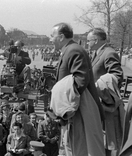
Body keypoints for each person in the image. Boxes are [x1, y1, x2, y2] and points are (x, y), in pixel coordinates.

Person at [50, 22, 105, 156]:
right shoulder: (70, 50)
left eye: (52, 36)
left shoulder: (73, 50)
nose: (50, 39)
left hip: (77, 111)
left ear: (61, 37)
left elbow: (80, 80)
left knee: (77, 148)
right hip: (73, 109)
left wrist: (65, 107)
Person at [87, 28, 124, 156]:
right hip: (97, 103)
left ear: (96, 40)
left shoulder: (109, 53)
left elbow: (117, 75)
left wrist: (98, 86)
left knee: (106, 140)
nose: (87, 43)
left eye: (88, 41)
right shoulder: (97, 53)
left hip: (105, 103)